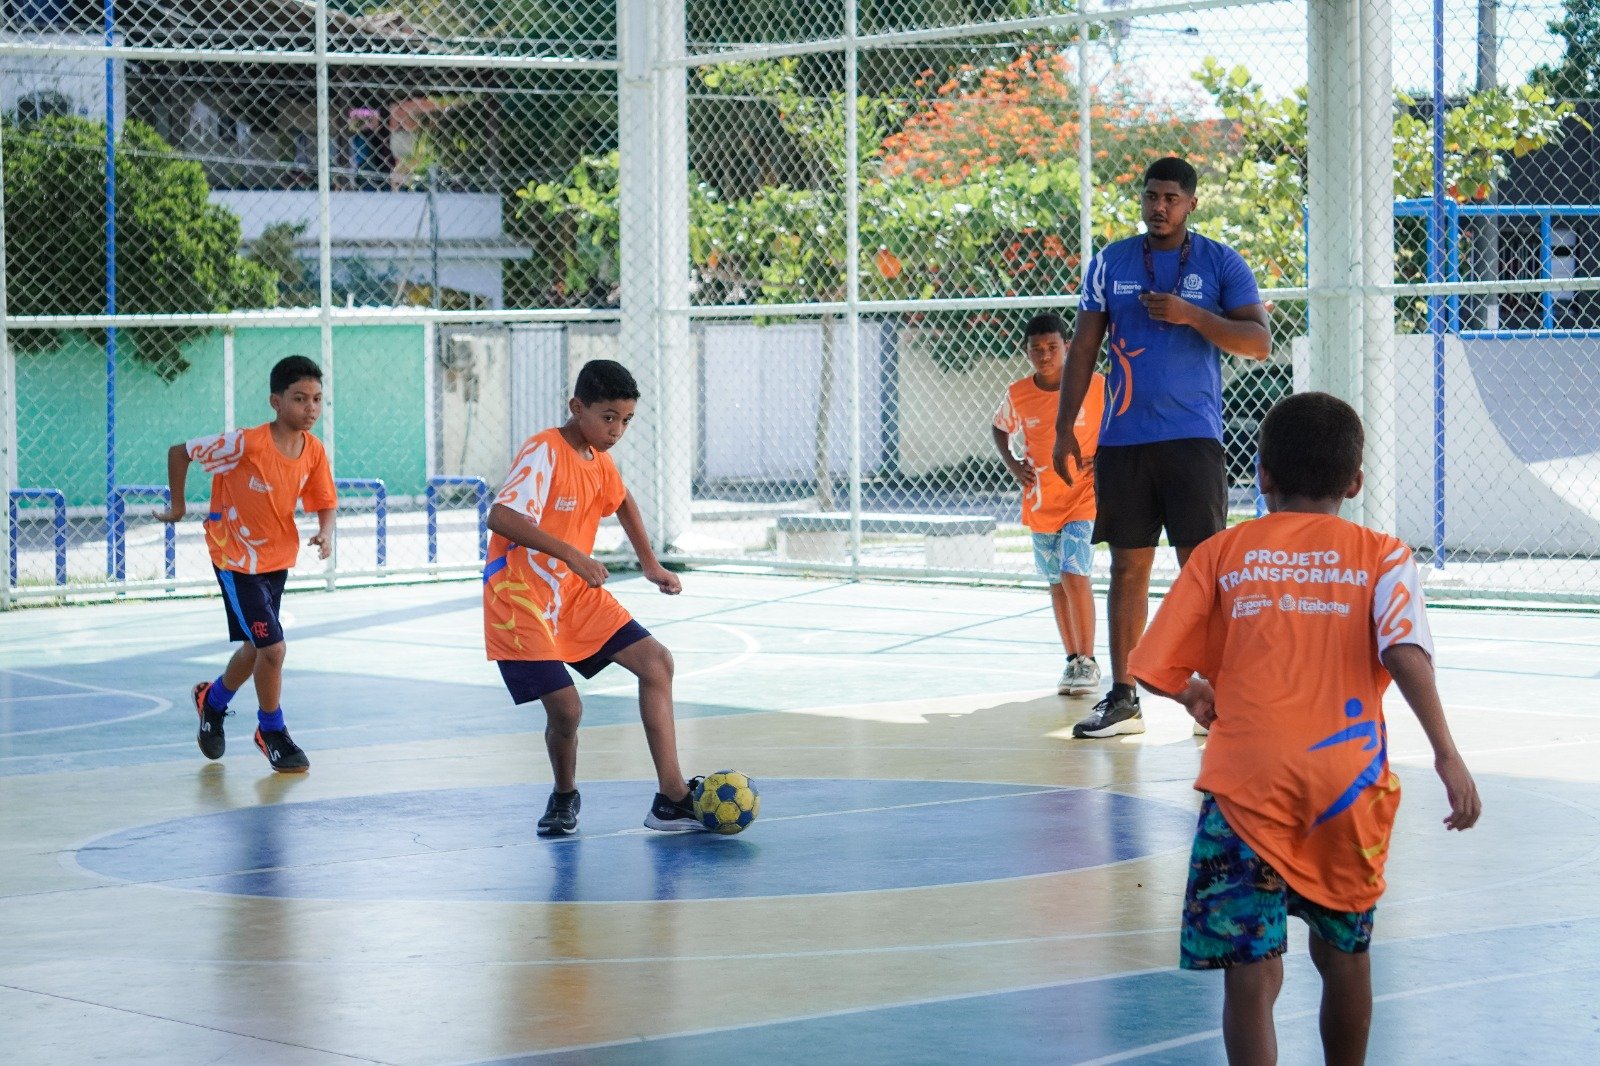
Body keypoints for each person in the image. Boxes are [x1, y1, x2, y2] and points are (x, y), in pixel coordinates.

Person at [1128, 392, 1482, 1066]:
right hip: (1344, 791)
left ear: (1260, 473)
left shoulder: (1223, 552)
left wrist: (1194, 690)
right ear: (1355, 481)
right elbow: (1404, 652)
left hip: (1246, 787)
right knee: (1344, 956)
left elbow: (1150, 663)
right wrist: (1446, 753)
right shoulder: (1382, 554)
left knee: (1252, 974)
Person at [1052, 156, 1271, 738]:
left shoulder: (1220, 261)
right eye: (1151, 196)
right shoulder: (1112, 262)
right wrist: (1063, 427)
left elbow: (1257, 343)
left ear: (1192, 203)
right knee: (1128, 565)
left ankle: (1220, 694)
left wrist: (1192, 315)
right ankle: (1124, 697)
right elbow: (1082, 350)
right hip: (1124, 438)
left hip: (1192, 437)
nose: (1159, 207)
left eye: (1171, 197)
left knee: (1203, 568)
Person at [484, 358, 700, 836]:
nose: (617, 430)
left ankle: (672, 797)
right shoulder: (543, 451)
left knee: (657, 663)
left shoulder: (598, 460)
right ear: (576, 407)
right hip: (521, 601)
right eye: (608, 418)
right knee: (567, 711)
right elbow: (500, 517)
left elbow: (621, 500)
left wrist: (650, 564)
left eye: (626, 420)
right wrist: (572, 555)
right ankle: (564, 796)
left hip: (573, 597)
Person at [155, 355, 337, 773]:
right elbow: (179, 453)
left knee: (258, 646)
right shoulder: (245, 443)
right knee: (273, 647)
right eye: (299, 399)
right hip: (236, 559)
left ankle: (212, 701)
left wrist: (325, 532)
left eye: (317, 399)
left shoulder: (312, 450)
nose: (310, 408)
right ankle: (271, 730)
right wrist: (179, 507)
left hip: (277, 559)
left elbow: (325, 500)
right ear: (275, 401)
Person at [991, 312, 1106, 696]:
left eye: (1052, 347)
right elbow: (999, 427)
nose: (1044, 355)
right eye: (1036, 349)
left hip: (1083, 497)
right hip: (1042, 500)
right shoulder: (1019, 394)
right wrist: (1013, 463)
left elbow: (1119, 423)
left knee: (1075, 572)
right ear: (1027, 352)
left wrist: (1103, 456)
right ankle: (1072, 659)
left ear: (1068, 347)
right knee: (1056, 581)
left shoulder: (1094, 385)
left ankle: (1089, 660)